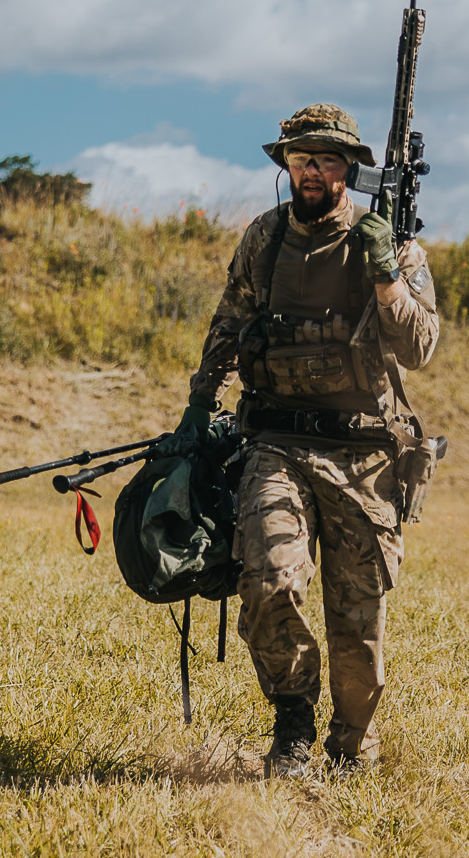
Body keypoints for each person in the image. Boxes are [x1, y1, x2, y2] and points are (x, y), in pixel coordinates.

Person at [179, 103, 440, 777]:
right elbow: (228, 325)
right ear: (285, 166)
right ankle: (292, 725)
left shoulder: (392, 242)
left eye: (327, 159)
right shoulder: (265, 240)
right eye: (302, 158)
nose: (314, 171)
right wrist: (198, 405)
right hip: (277, 445)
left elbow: (419, 346)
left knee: (357, 625)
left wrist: (386, 275)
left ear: (350, 168)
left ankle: (352, 746)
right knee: (268, 582)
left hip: (365, 455)